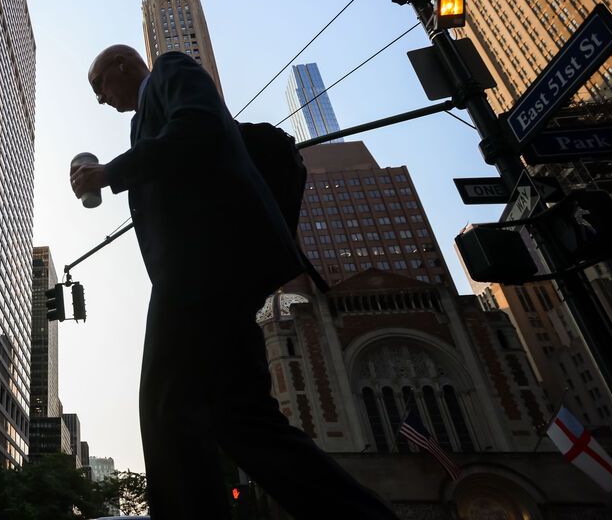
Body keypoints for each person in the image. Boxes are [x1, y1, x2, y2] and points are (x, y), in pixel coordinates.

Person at [69, 46, 396, 519]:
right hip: (216, 277)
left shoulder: (170, 70)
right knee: (243, 422)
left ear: (123, 65)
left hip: (202, 269)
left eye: (100, 84)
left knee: (167, 407)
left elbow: (199, 131)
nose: (101, 98)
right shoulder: (142, 121)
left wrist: (109, 172)